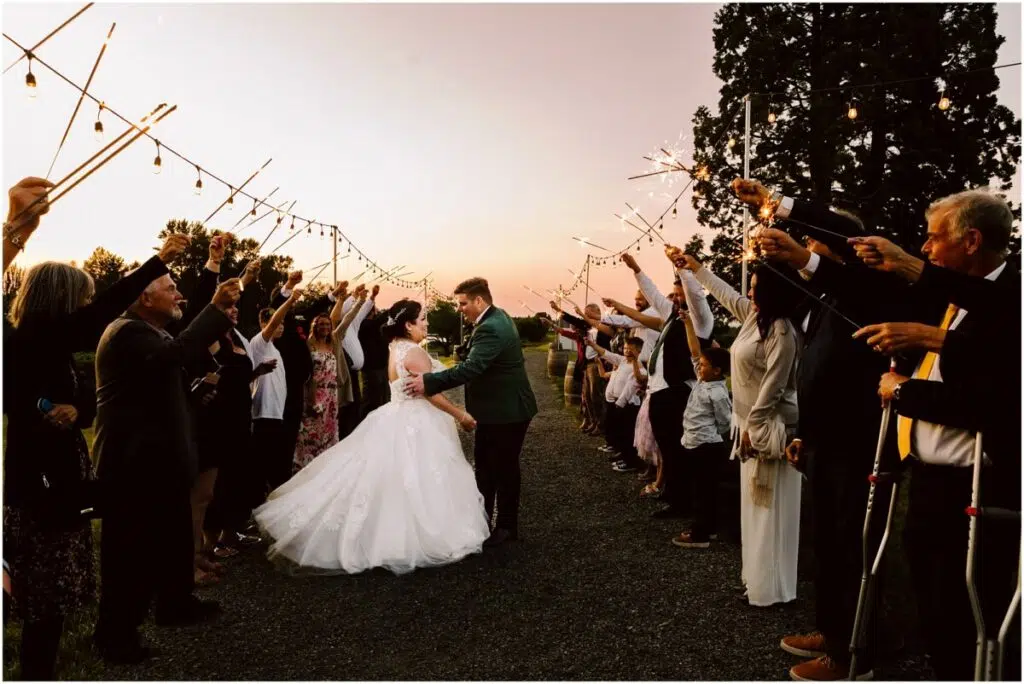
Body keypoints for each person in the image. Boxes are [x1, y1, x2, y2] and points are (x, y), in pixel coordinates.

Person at [846, 190, 1020, 681]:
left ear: (971, 240)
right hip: (926, 477)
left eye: (934, 237)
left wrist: (905, 391)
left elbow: (991, 400)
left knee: (966, 608)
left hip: (976, 484)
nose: (925, 248)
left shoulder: (1012, 297)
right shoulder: (953, 298)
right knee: (932, 604)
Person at [4, 235, 188, 679]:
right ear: (59, 300)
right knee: (42, 605)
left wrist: (75, 408)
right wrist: (156, 263)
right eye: (81, 299)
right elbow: (99, 313)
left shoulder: (56, 352)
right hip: (39, 489)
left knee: (52, 606)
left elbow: (88, 398)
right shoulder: (26, 344)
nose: (87, 306)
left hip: (63, 481)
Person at [253, 299, 489, 574]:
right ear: (408, 324)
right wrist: (460, 414)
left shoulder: (396, 347)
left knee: (389, 478)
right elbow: (429, 392)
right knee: (415, 477)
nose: (427, 324)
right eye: (423, 319)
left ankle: (381, 531)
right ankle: (409, 537)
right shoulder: (414, 352)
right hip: (416, 419)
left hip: (396, 414)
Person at [92, 266, 241, 664]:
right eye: (171, 288)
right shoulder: (127, 333)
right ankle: (115, 637)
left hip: (160, 463)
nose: (179, 295)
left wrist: (192, 398)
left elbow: (153, 386)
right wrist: (214, 308)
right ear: (144, 297)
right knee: (130, 554)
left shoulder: (150, 333)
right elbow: (175, 354)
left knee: (171, 542)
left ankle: (175, 604)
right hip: (132, 467)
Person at [679, 251, 803, 607]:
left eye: (756, 288)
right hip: (748, 425)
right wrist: (697, 269)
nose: (749, 293)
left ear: (774, 292)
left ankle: (773, 589)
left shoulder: (782, 331)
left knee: (769, 508)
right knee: (753, 506)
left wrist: (754, 426)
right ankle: (755, 578)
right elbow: (726, 294)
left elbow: (775, 386)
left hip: (770, 428)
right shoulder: (753, 317)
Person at [405, 277, 538, 547]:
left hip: (505, 411)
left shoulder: (491, 327)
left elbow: (472, 368)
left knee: (503, 469)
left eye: (463, 303)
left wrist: (429, 382)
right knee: (487, 468)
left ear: (479, 300)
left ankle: (506, 527)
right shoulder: (496, 317)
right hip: (497, 409)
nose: (460, 309)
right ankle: (482, 521)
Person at [619, 251, 714, 520]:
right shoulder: (671, 316)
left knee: (676, 448)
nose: (677, 299)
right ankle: (672, 494)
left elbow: (696, 297)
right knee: (666, 448)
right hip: (660, 391)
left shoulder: (701, 320)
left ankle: (682, 501)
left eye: (681, 294)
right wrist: (636, 269)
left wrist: (683, 271)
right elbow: (653, 294)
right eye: (675, 295)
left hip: (678, 391)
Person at [671, 307, 732, 549]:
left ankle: (700, 535)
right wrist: (688, 323)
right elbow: (695, 351)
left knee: (703, 491)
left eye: (704, 365)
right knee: (701, 488)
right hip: (694, 443)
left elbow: (725, 422)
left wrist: (713, 435)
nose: (699, 367)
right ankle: (710, 528)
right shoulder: (703, 379)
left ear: (717, 371)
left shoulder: (717, 393)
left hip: (706, 446)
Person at [293, 288, 364, 473]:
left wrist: (360, 302)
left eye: (327, 324)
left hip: (331, 395)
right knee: (310, 430)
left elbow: (346, 320)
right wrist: (310, 400)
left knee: (329, 431)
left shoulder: (334, 340)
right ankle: (306, 468)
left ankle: (327, 469)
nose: (325, 327)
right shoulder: (308, 344)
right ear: (314, 326)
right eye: (321, 324)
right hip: (313, 392)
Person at [251, 289, 304, 496]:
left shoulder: (275, 350)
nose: (280, 326)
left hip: (276, 415)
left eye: (283, 324)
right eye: (277, 323)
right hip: (264, 415)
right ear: (263, 323)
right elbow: (272, 324)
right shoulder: (259, 344)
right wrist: (290, 301)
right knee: (261, 467)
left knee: (275, 466)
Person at [587, 336, 646, 473]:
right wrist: (592, 344)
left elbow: (640, 378)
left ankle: (630, 462)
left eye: (631, 349)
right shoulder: (622, 361)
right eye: (625, 348)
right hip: (617, 403)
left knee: (628, 434)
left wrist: (635, 361)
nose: (627, 352)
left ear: (638, 351)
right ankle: (624, 457)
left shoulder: (640, 366)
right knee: (621, 432)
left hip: (629, 404)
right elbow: (606, 353)